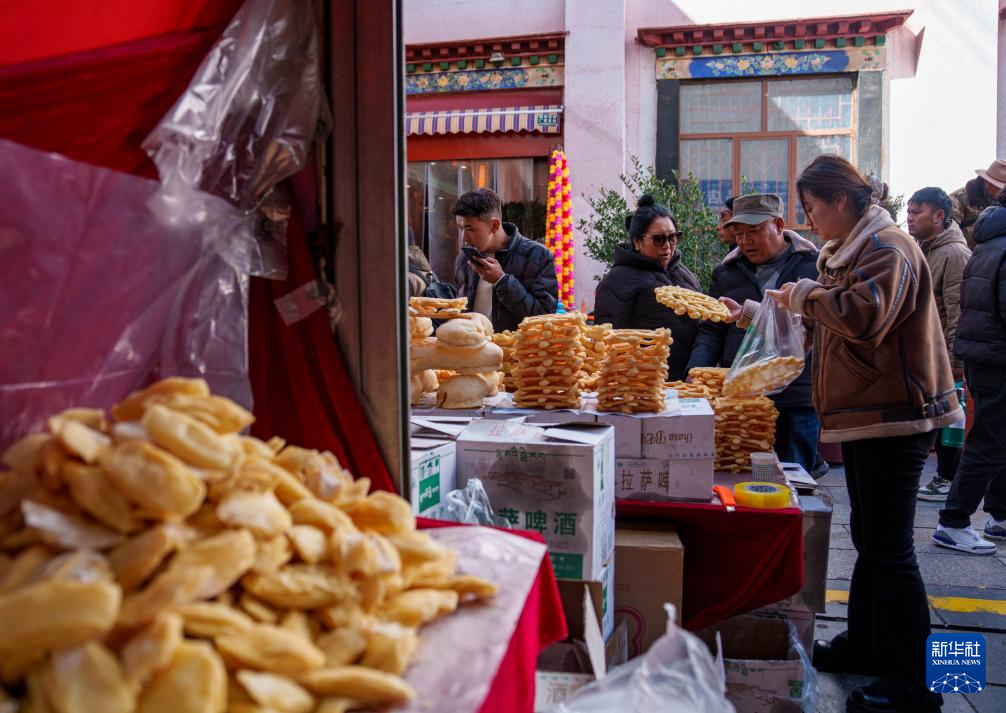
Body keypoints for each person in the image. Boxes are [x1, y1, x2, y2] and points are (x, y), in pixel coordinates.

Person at [762, 155, 960, 713]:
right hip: (867, 416)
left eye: (812, 208)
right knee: (871, 541)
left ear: (842, 202)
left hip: (897, 416)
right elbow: (830, 319)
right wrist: (761, 311)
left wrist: (802, 295)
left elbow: (863, 317)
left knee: (893, 551)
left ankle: (917, 685)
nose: (810, 219)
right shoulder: (851, 252)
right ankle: (868, 645)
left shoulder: (888, 248)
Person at [687, 193, 820, 473]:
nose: (745, 241)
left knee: (794, 480)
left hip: (796, 398)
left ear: (779, 225)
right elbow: (712, 328)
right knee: (741, 475)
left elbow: (815, 327)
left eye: (754, 231)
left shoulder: (812, 267)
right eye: (739, 234)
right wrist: (696, 370)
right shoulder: (726, 272)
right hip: (743, 397)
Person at [932, 189, 1006, 555]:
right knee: (988, 442)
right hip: (997, 358)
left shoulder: (986, 243)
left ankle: (1000, 514)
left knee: (997, 438)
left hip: (983, 354)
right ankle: (954, 521)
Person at [906, 188, 972, 501]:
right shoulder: (922, 247)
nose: (910, 217)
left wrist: (956, 361)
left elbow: (958, 309)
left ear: (939, 216)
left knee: (950, 421)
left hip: (946, 356)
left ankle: (947, 479)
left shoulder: (954, 254)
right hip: (924, 352)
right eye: (908, 210)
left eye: (917, 211)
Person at [594, 194, 701, 381]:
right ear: (637, 242)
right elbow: (608, 343)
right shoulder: (617, 281)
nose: (667, 246)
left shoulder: (684, 273)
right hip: (646, 386)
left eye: (673, 237)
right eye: (658, 239)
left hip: (691, 381)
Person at [452, 188, 557, 332]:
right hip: (471, 349)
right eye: (460, 228)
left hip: (514, 351)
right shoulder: (465, 258)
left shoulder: (537, 255)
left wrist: (502, 281)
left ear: (494, 225)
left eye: (470, 229)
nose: (464, 238)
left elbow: (545, 317)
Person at [950, 159, 1006, 248]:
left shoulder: (1001, 202)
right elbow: (948, 234)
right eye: (986, 181)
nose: (988, 186)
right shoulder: (960, 198)